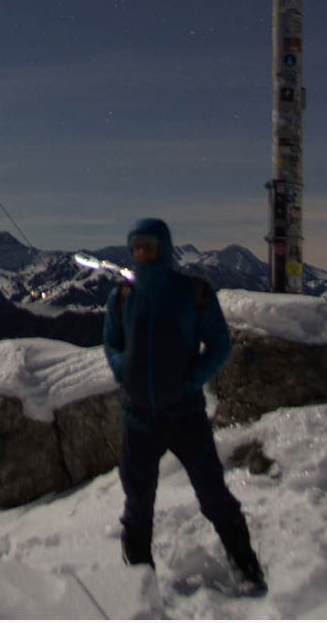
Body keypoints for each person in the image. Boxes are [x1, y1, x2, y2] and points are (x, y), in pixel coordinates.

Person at [102, 217, 265, 592]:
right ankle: (139, 588)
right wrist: (121, 368)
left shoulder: (193, 294)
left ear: (163, 248)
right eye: (136, 247)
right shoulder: (122, 298)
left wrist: (190, 381)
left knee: (213, 493)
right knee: (137, 505)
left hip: (184, 415)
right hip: (138, 418)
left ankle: (247, 567)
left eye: (149, 246)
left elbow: (220, 345)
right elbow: (111, 342)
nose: (142, 254)